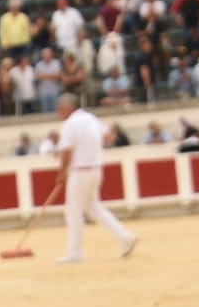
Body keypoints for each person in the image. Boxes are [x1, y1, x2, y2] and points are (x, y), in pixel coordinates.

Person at [52, 93, 137, 263]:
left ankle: (75, 252)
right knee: (93, 208)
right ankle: (125, 237)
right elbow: (109, 137)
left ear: (69, 107)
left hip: (80, 171)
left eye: (60, 108)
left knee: (74, 212)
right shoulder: (90, 118)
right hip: (96, 170)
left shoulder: (70, 124)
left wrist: (61, 174)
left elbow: (67, 151)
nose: (59, 111)